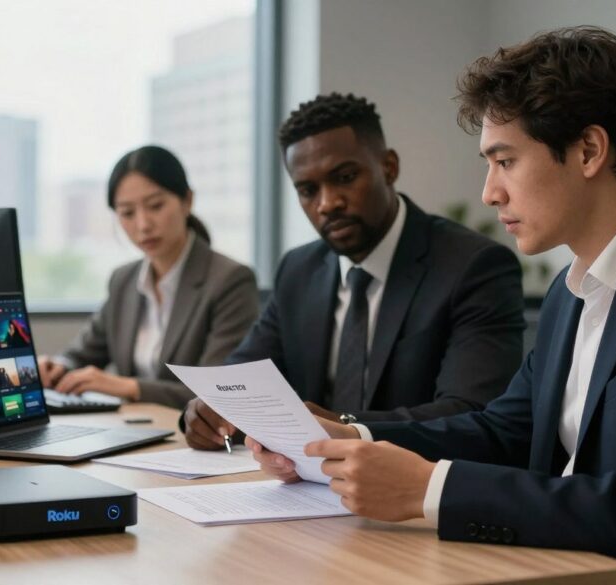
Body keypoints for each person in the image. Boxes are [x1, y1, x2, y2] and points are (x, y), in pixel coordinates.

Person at [250, 27, 616, 583]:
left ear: (589, 150)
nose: (489, 192)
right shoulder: (571, 290)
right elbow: (505, 430)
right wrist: (350, 438)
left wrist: (428, 489)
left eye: (504, 161)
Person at [183, 92, 525, 450]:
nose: (328, 203)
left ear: (389, 167)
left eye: (344, 177)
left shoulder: (473, 265)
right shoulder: (299, 270)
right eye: (308, 190)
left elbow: (471, 413)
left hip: (414, 492)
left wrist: (345, 427)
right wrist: (208, 411)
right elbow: (241, 379)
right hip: (304, 487)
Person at [38, 145, 259, 408]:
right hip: (132, 429)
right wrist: (58, 367)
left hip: (192, 438)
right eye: (127, 213)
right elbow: (83, 354)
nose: (143, 225)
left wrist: (126, 386)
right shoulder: (124, 280)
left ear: (187, 201)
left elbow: (220, 390)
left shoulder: (230, 280)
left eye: (155, 206)